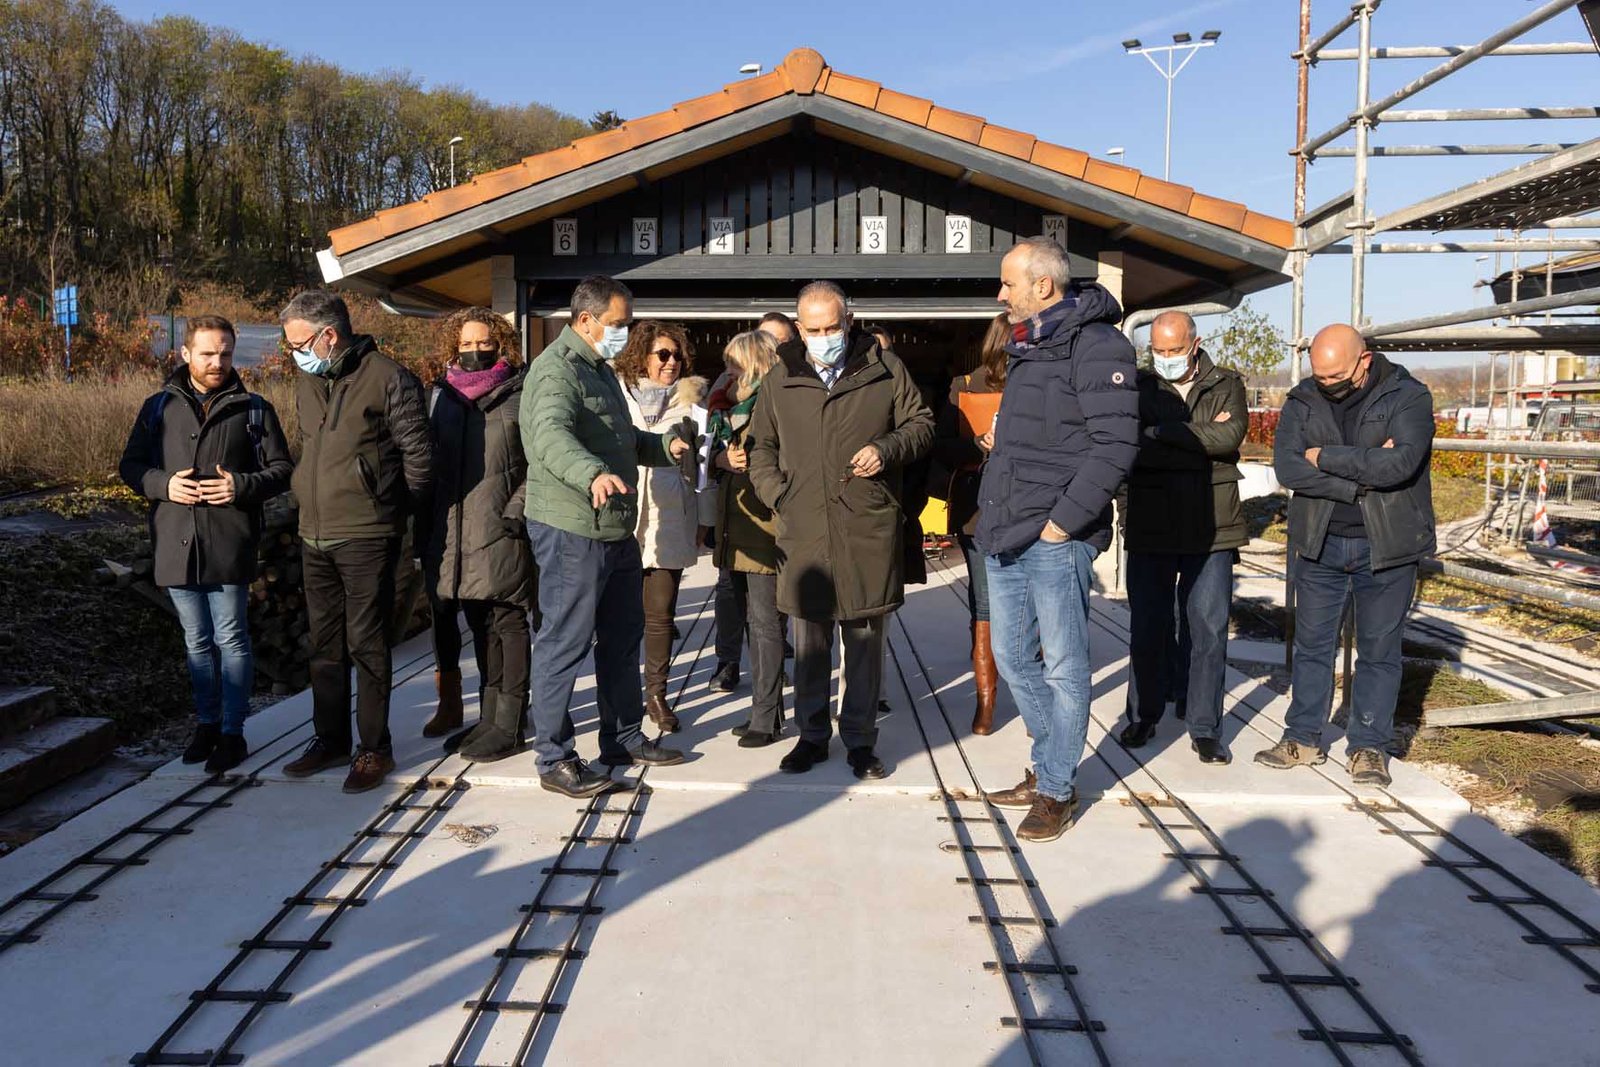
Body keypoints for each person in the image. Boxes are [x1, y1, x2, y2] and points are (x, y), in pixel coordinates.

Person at [978, 237, 1139, 842]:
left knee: (1065, 665)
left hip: (1053, 531)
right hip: (1008, 522)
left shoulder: (1097, 345)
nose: (1001, 294)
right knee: (1015, 658)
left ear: (1042, 286)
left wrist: (1064, 522)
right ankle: (1050, 765)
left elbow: (1115, 444)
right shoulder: (1031, 346)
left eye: (1008, 283)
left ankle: (1056, 790)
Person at [747, 281, 934, 780]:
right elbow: (759, 445)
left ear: (849, 321)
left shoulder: (884, 367)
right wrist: (776, 493)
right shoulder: (780, 376)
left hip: (864, 523)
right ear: (799, 325)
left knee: (865, 639)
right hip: (804, 525)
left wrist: (886, 449)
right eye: (814, 329)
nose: (825, 336)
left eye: (833, 326)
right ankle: (811, 737)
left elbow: (921, 424)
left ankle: (860, 739)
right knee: (809, 643)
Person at [521, 275, 693, 798]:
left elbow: (622, 438)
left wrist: (663, 448)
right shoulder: (556, 372)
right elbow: (550, 436)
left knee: (622, 638)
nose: (624, 334)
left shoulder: (599, 370)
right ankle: (553, 757)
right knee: (565, 640)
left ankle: (621, 738)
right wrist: (590, 471)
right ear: (586, 320)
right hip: (573, 526)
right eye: (618, 324)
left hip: (615, 526)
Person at [1256, 324, 1435, 787]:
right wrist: (1358, 478)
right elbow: (1288, 466)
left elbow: (1401, 464)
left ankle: (1369, 748)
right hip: (1320, 543)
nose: (1326, 384)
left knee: (1378, 650)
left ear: (1364, 361)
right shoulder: (1302, 399)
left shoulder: (1408, 397)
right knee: (1312, 646)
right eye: (1319, 375)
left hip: (1388, 544)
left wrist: (1326, 456)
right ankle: (1302, 737)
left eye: (1335, 376)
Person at [118, 315, 293, 774]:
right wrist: (161, 484)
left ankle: (233, 733)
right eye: (208, 354)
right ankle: (207, 725)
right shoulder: (157, 407)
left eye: (226, 354)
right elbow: (130, 466)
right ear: (186, 354)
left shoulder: (254, 408)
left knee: (231, 638)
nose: (218, 362)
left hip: (229, 542)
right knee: (196, 642)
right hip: (175, 543)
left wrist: (241, 485)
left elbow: (281, 470)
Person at [278, 291, 433, 794]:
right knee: (323, 646)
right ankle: (330, 739)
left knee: (366, 644)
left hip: (368, 534)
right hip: (314, 531)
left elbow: (420, 460)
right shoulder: (308, 378)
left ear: (329, 335)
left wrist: (389, 511)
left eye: (300, 342)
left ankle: (374, 748)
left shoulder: (390, 378)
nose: (294, 353)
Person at [1119, 310, 1248, 765]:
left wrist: (1163, 433)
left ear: (1195, 344)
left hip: (1212, 526)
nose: (1166, 358)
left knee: (1208, 629)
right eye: (1159, 350)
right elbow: (1129, 446)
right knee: (1148, 627)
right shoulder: (1138, 386)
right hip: (1151, 523)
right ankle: (1142, 714)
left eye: (1175, 350)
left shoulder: (1227, 383)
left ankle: (1205, 727)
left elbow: (1231, 435)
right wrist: (1198, 444)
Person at [421, 307, 537, 762]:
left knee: (508, 625)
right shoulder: (445, 397)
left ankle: (511, 724)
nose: (474, 351)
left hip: (504, 526)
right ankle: (490, 719)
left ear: (501, 343)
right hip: (457, 532)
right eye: (465, 344)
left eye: (483, 342)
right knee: (480, 627)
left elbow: (539, 461)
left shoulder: (521, 392)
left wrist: (518, 511)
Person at [615, 320, 713, 733]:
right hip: (620, 516)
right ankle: (618, 694)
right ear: (642, 356)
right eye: (662, 355)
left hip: (671, 516)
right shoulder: (617, 396)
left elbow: (705, 465)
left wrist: (705, 519)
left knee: (660, 614)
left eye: (676, 355)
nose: (671, 363)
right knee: (619, 616)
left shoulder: (692, 405)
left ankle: (656, 694)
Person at [708, 310, 798, 692]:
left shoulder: (774, 403)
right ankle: (734, 666)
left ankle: (768, 703)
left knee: (767, 619)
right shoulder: (725, 401)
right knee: (734, 601)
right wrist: (718, 459)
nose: (727, 369)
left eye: (733, 363)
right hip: (733, 522)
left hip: (764, 525)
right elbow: (706, 452)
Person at [932, 312, 1009, 735]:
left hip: (1019, 503)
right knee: (985, 601)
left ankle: (993, 700)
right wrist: (976, 443)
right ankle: (986, 702)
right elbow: (940, 446)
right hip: (978, 502)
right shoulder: (963, 387)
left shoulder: (1040, 382)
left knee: (997, 602)